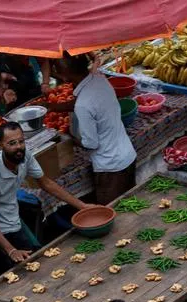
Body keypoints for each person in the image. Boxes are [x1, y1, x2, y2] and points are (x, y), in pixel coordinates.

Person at [0, 121, 90, 273]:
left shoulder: (25, 157)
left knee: (35, 262)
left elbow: (46, 183)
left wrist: (82, 206)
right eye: (12, 143)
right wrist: (10, 250)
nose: (19, 147)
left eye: (21, 141)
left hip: (12, 220)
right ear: (0, 146)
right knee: (12, 275)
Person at [53, 54, 136, 205]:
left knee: (114, 213)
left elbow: (91, 143)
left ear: (65, 75)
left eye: (57, 69)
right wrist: (52, 107)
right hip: (127, 155)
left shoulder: (83, 105)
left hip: (110, 168)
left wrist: (69, 139)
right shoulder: (100, 80)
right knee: (130, 205)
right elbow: (82, 102)